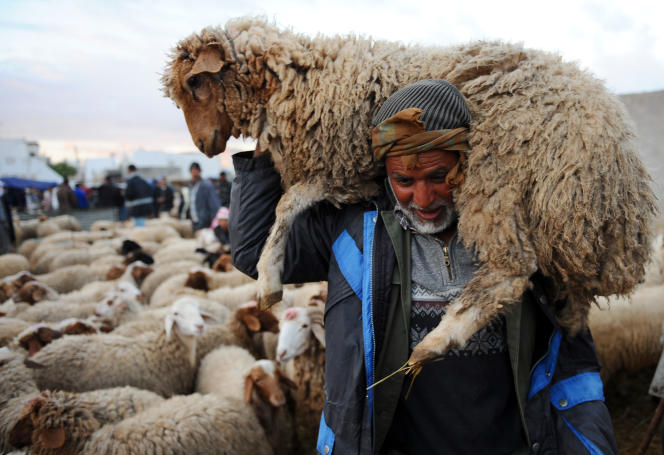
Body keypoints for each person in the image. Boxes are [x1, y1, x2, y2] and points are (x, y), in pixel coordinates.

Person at [229, 79, 617, 455]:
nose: (423, 197)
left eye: (439, 176)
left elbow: (571, 356)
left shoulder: (522, 233)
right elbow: (251, 252)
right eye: (404, 180)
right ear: (385, 174)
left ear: (467, 163)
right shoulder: (355, 230)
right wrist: (265, 147)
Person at [189, 162, 221, 231]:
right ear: (190, 171)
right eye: (192, 170)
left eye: (196, 170)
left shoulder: (206, 185)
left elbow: (214, 204)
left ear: (199, 171)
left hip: (204, 222)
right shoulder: (191, 186)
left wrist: (214, 221)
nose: (194, 172)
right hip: (194, 221)